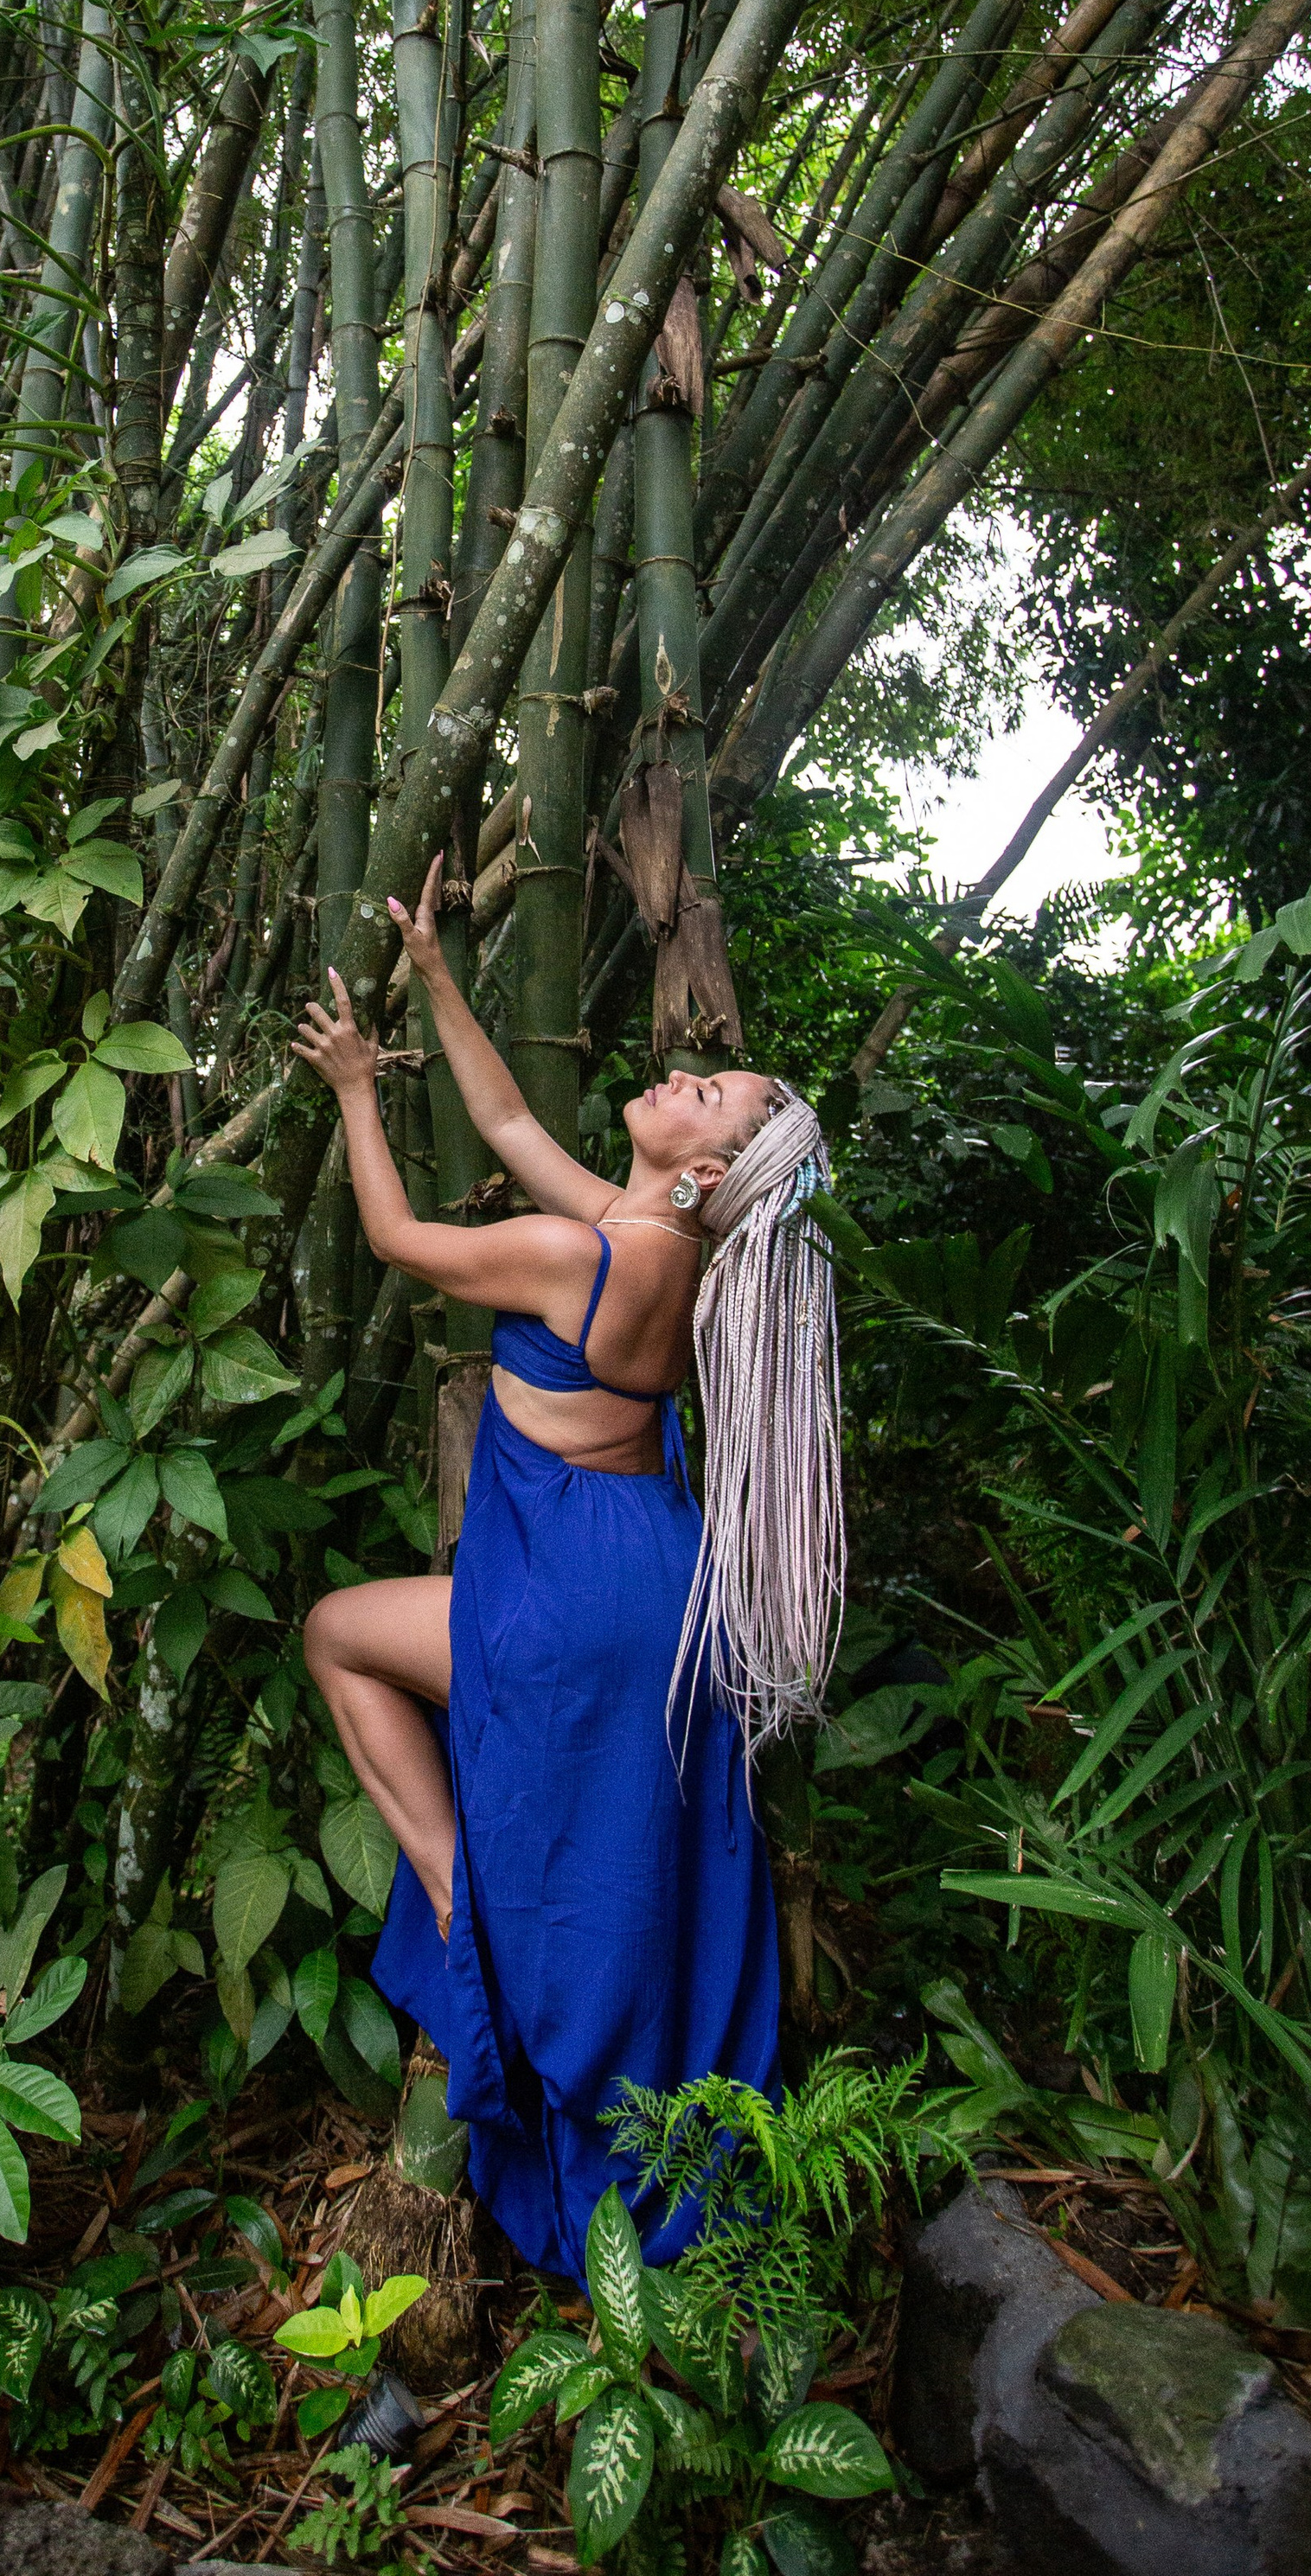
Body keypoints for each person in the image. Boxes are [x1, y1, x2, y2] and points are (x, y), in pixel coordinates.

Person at [293, 856, 843, 2279]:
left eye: (705, 1096)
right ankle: (581, 2006)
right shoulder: (656, 1246)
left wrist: (358, 1087)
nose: (678, 1076)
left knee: (340, 1633)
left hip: (571, 1601)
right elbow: (506, 1114)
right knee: (630, 1862)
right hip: (656, 1583)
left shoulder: (571, 1254)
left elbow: (399, 1236)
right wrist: (433, 974)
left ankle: (457, 1897)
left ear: (709, 1166)